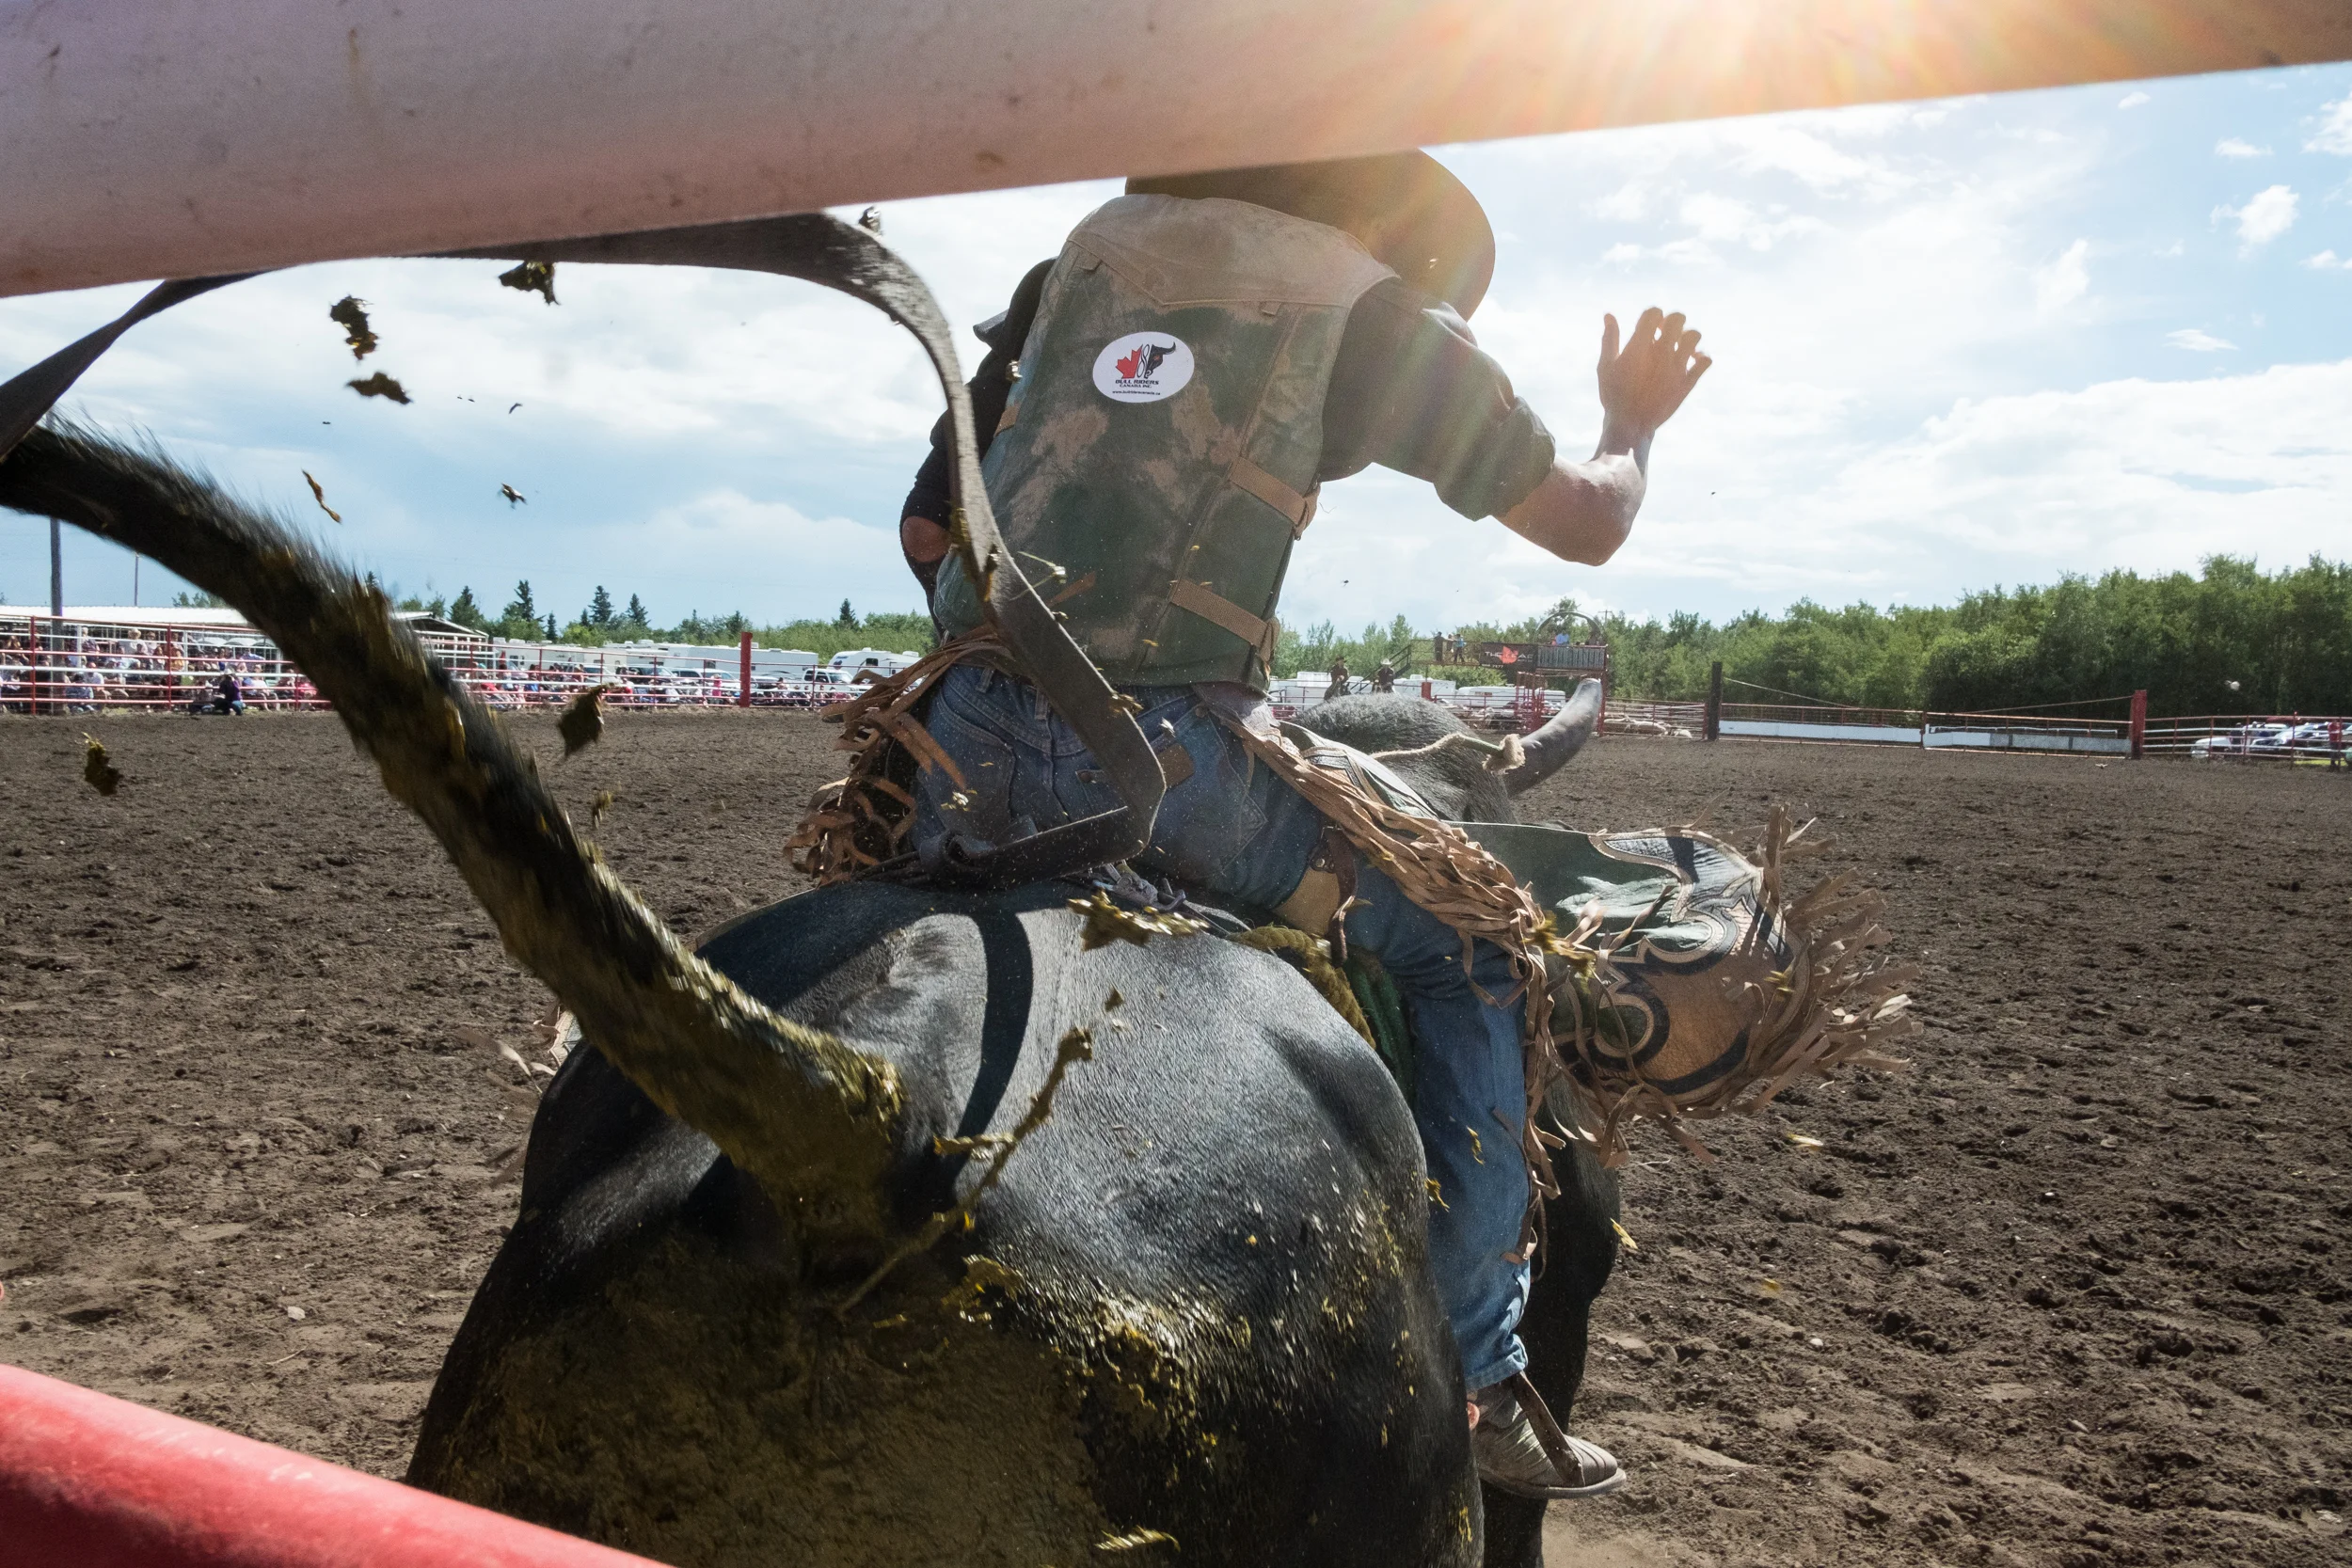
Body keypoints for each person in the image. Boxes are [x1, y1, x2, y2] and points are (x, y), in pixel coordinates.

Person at [895, 151, 1708, 1500]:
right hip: (1161, 762)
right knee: (1475, 942)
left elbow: (929, 529)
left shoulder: (1076, 266)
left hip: (946, 742)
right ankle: (1479, 1365)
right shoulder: (1365, 308)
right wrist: (1633, 422)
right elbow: (1585, 521)